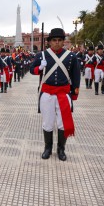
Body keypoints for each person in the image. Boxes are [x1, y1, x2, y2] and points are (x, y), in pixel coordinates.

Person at [30, 28, 80, 161]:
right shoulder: (42, 55)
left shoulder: (71, 56)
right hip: (47, 94)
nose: (57, 43)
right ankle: (48, 148)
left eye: (59, 40)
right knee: (47, 122)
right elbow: (31, 70)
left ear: (63, 42)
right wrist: (39, 68)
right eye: (54, 40)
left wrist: (74, 93)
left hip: (64, 94)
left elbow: (76, 76)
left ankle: (61, 149)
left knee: (62, 123)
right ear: (50, 42)